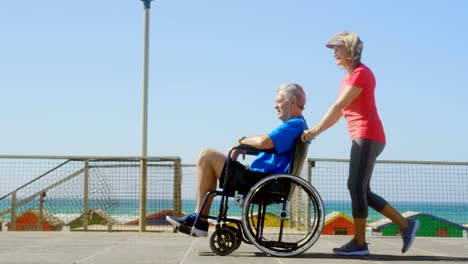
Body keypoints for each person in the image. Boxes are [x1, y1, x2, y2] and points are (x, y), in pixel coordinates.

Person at [302, 32, 419, 256]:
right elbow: (339, 112)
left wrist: (315, 130)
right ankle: (405, 225)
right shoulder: (348, 78)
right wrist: (318, 130)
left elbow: (337, 107)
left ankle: (360, 242)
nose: (334, 52)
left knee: (356, 187)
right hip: (364, 136)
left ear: (351, 50)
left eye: (337, 47)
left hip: (368, 135)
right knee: (361, 189)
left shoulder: (361, 74)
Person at [166, 83, 308, 237]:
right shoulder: (296, 125)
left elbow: (264, 142)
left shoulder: (294, 125)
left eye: (279, 100)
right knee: (207, 159)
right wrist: (245, 147)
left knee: (206, 155)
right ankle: (200, 219)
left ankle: (199, 219)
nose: (275, 105)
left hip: (263, 183)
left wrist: (243, 141)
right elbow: (270, 146)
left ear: (292, 100)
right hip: (263, 180)